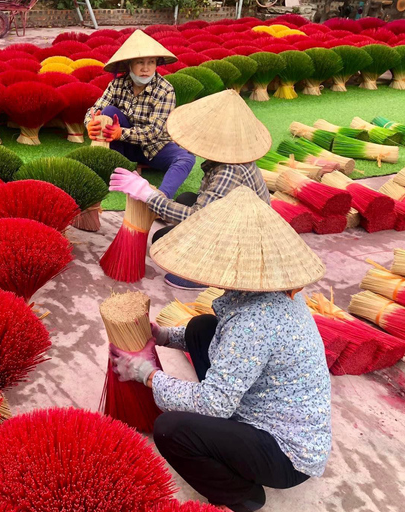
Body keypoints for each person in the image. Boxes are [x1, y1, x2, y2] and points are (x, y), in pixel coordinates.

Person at [109, 187, 332, 512]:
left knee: (171, 431)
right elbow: (231, 345)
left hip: (286, 452)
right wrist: (164, 336)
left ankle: (241, 495)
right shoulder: (273, 289)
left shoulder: (253, 322)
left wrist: (146, 374)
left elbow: (213, 405)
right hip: (261, 405)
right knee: (202, 328)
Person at [109, 89, 272, 290]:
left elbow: (199, 217)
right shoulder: (228, 156)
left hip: (242, 244)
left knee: (170, 254)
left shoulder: (229, 170)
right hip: (230, 219)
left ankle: (211, 273)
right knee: (181, 206)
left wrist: (149, 195)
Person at [83, 29, 196, 200]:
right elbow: (95, 109)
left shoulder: (165, 90)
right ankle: (112, 168)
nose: (145, 68)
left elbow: (155, 132)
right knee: (107, 112)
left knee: (186, 158)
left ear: (157, 64)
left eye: (151, 62)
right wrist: (90, 123)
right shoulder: (117, 84)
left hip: (153, 148)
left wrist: (122, 133)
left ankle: (160, 199)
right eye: (139, 62)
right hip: (122, 147)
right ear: (129, 64)